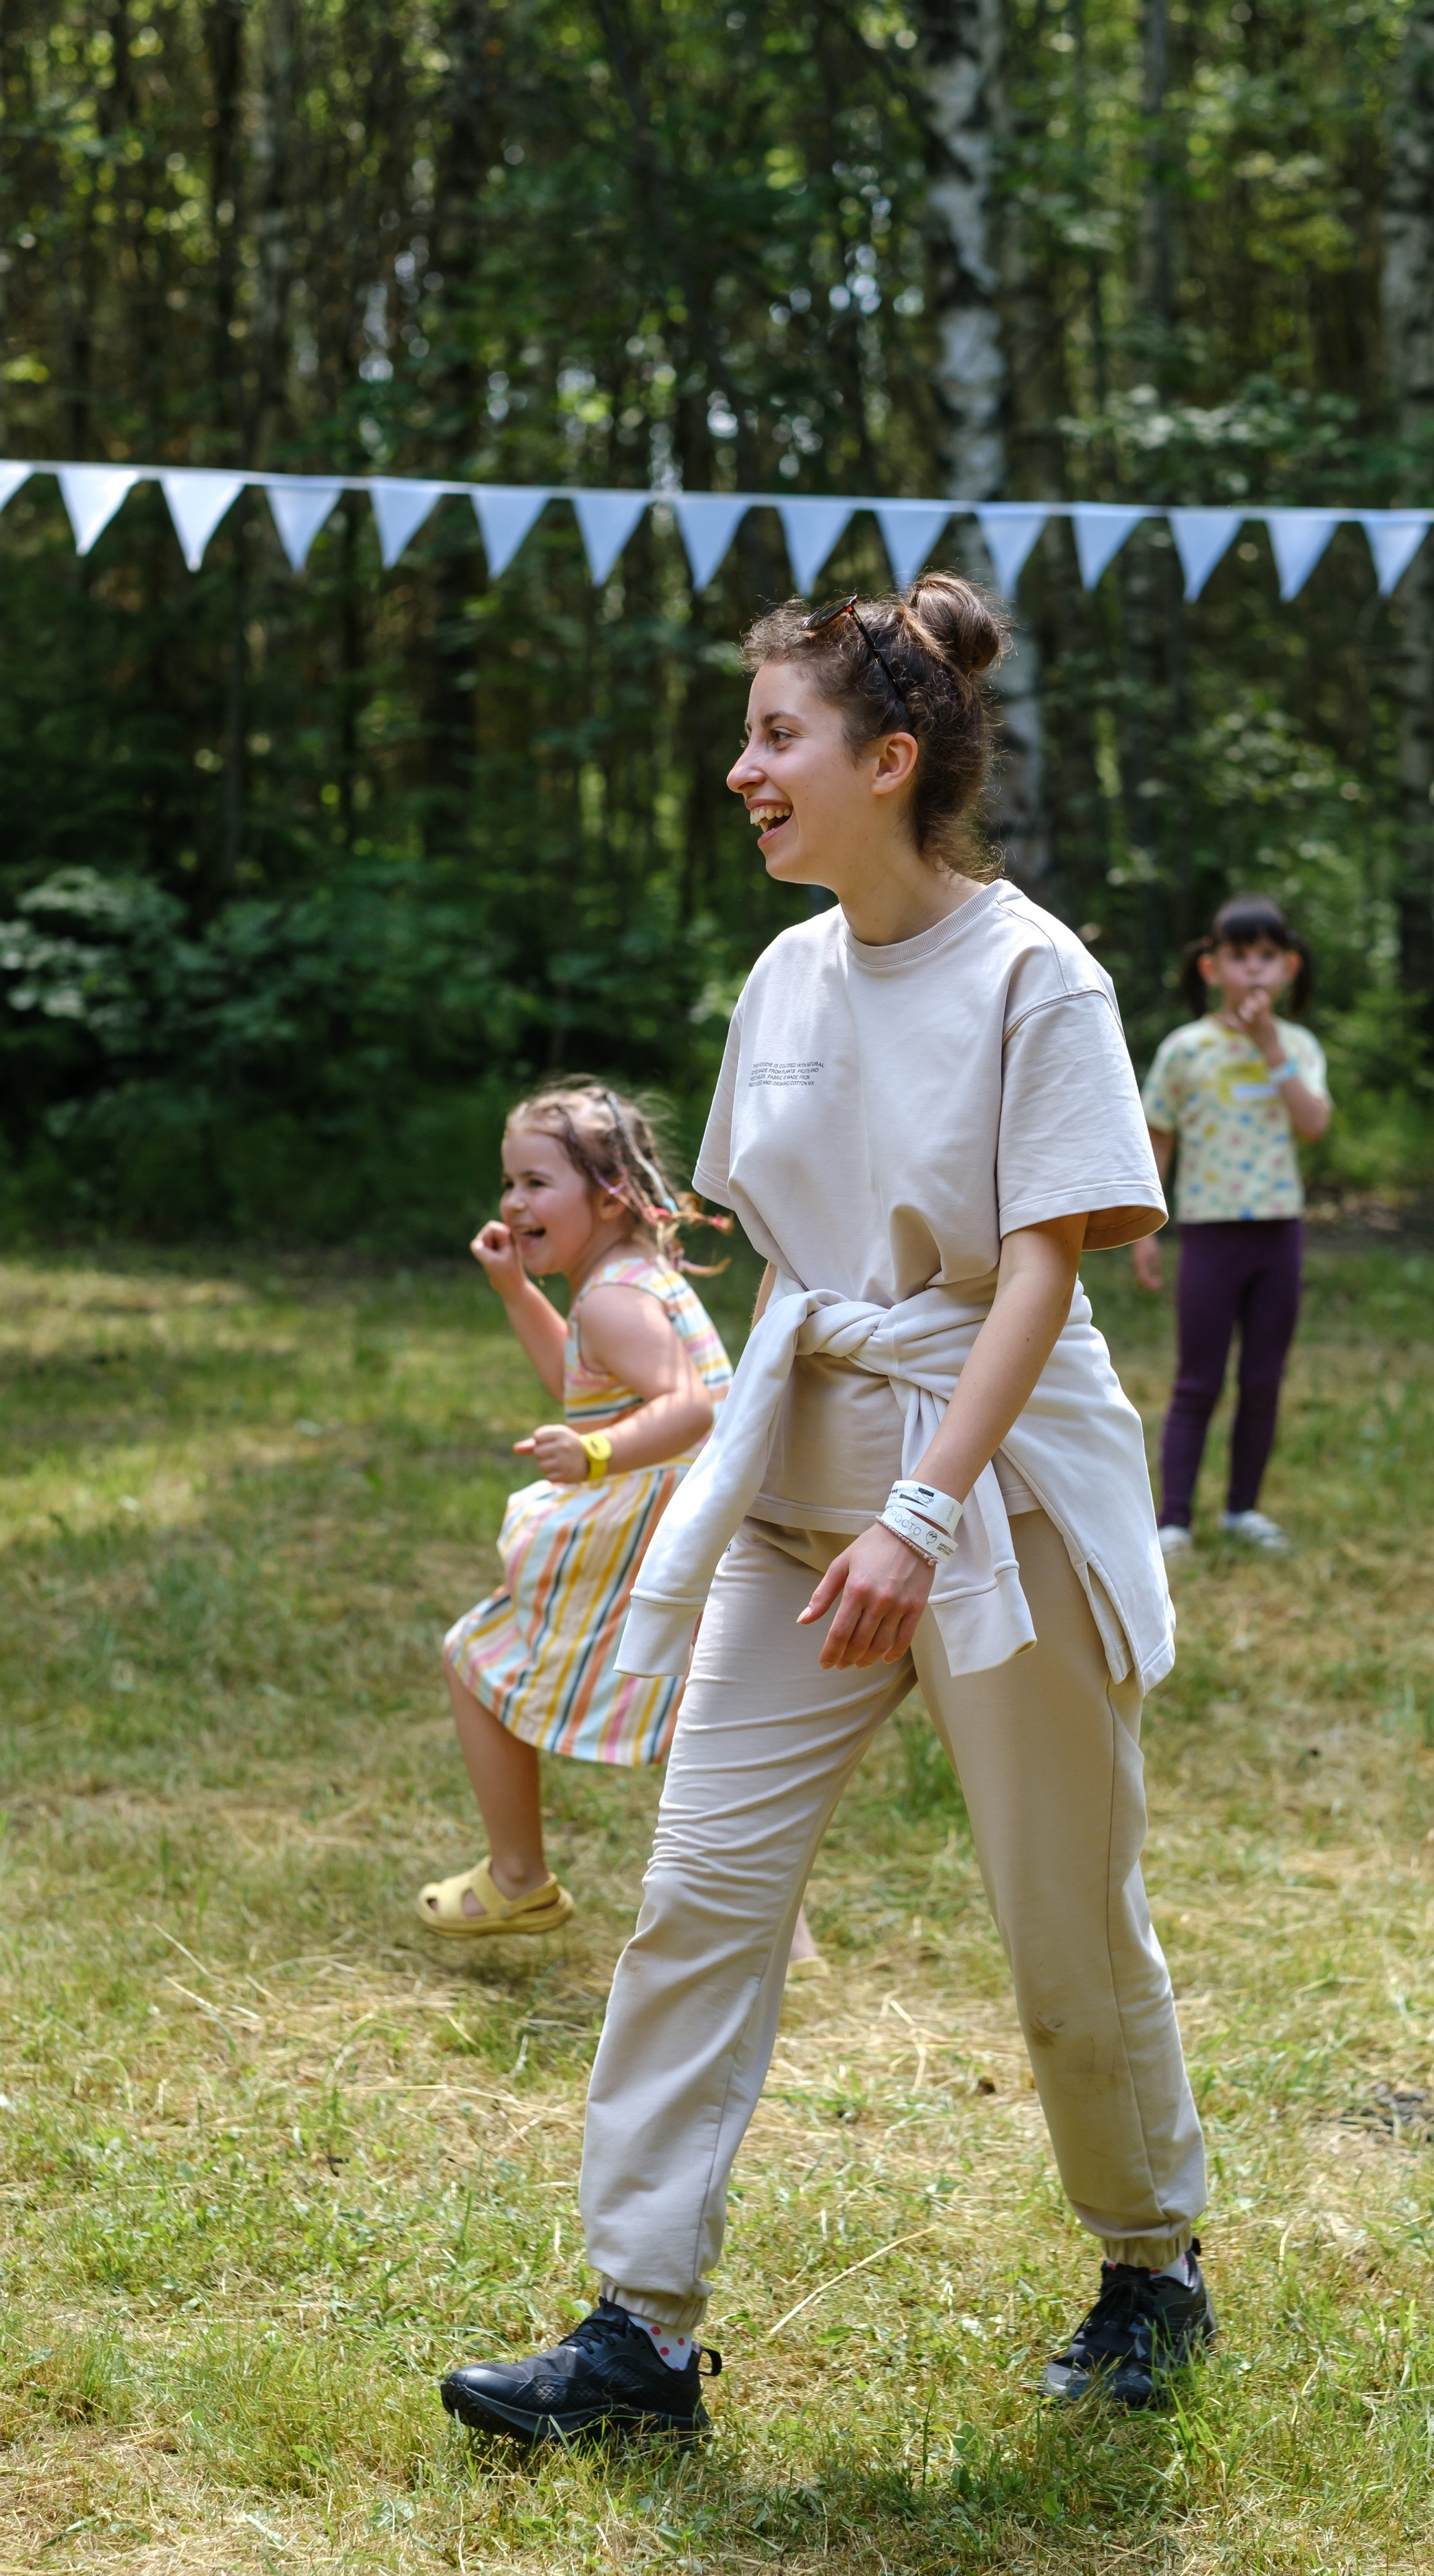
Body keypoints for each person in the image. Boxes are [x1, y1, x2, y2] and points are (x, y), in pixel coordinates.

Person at [438, 575, 1212, 2448]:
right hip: (798, 1512)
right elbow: (787, 1269)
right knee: (698, 1897)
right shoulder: (785, 975)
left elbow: (1041, 1272)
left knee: (1061, 1920)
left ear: (887, 760)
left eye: (775, 739)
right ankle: (639, 2337)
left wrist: (924, 1518)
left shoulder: (1043, 975)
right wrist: (721, 1461)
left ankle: (1149, 2264)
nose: (741, 771)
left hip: (997, 1508)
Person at [418, 1080, 820, 1970]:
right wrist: (513, 1287)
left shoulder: (613, 1297)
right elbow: (579, 1375)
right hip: (684, 1523)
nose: (513, 1201)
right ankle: (780, 1930)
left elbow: (685, 1408)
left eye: (534, 1183)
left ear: (606, 1196)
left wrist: (597, 1457)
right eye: (509, 1183)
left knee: (477, 1654)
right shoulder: (622, 1280)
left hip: (640, 1526)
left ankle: (518, 1877)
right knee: (694, 1719)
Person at [1132, 895, 1332, 1561]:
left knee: (1264, 1378)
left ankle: (1243, 1510)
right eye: (1239, 958)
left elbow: (1313, 1124)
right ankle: (1175, 1520)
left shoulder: (1297, 1046)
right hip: (1209, 1235)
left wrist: (1271, 1047)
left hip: (1278, 1234)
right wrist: (1143, 1230)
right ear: (1212, 967)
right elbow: (1152, 1143)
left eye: (1267, 958)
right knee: (1197, 1379)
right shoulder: (1185, 1050)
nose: (1253, 972)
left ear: (1289, 968)